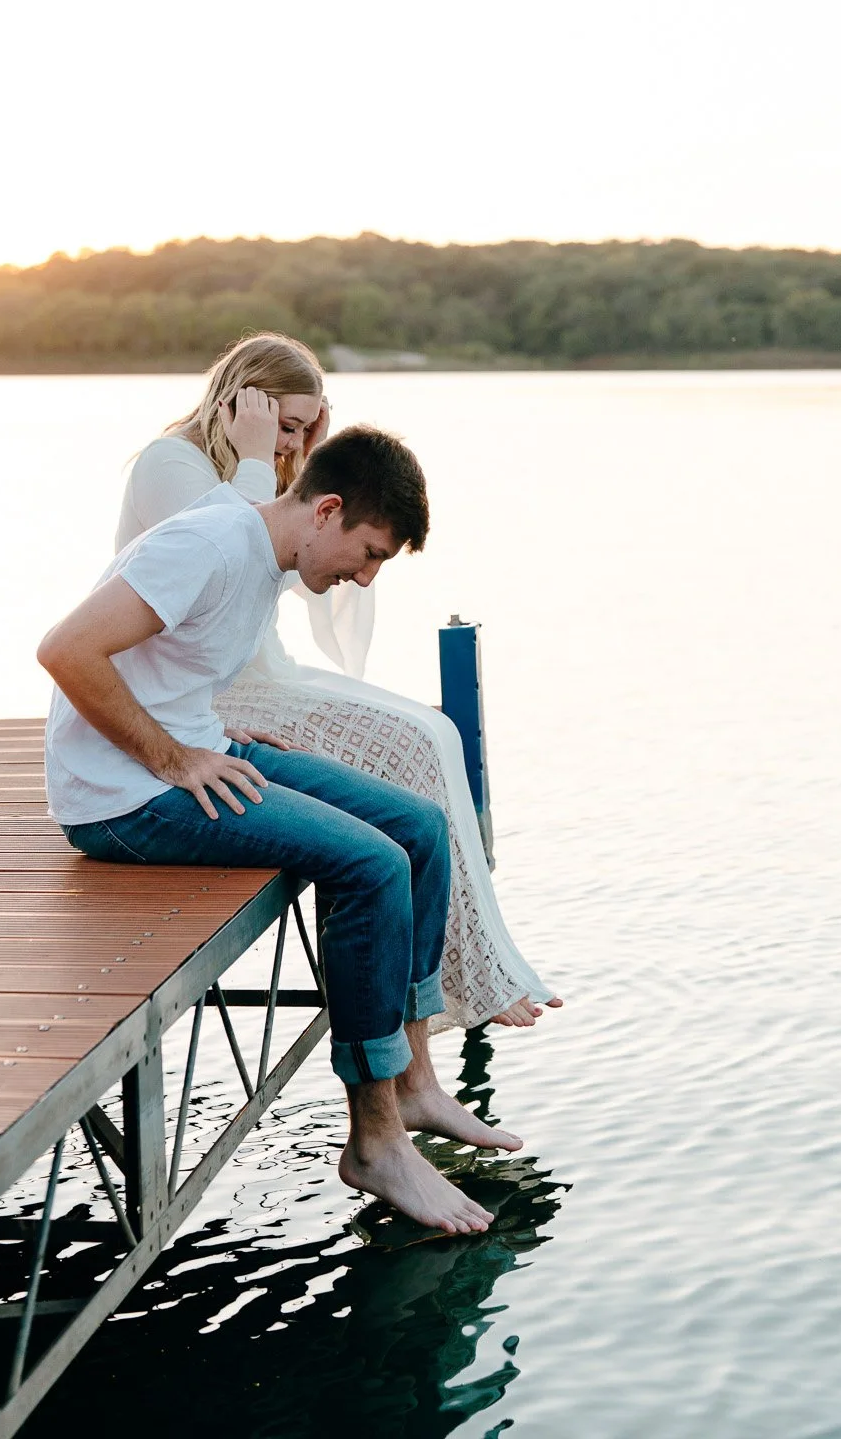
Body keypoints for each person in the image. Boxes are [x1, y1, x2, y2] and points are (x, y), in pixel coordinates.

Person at [39, 427, 522, 1233]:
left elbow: (169, 664)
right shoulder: (209, 545)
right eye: (367, 554)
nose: (362, 577)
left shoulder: (264, 552)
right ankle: (374, 1142)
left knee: (421, 829)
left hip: (198, 748)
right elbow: (66, 650)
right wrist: (172, 756)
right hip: (120, 798)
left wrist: (205, 731)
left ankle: (415, 1085)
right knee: (370, 866)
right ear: (326, 510)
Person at [115, 333, 561, 1030]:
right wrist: (263, 458)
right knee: (408, 751)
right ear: (238, 402)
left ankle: (472, 962)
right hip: (210, 693)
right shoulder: (170, 462)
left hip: (255, 673)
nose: (291, 438)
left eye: (304, 427)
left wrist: (295, 460)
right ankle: (454, 983)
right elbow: (217, 556)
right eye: (281, 423)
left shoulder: (276, 475)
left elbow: (308, 572)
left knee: (432, 732)